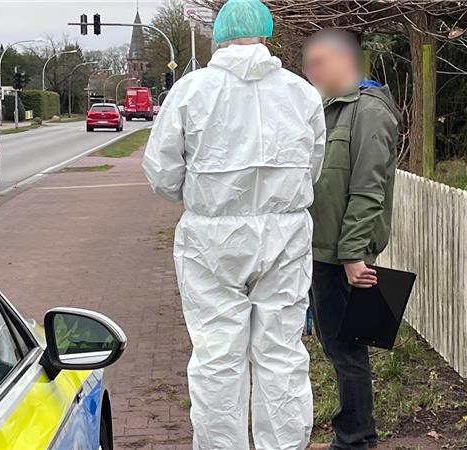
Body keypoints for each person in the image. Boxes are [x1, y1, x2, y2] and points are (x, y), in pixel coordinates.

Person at [142, 0, 326, 448]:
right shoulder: (301, 93)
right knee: (281, 354)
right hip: (285, 235)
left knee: (217, 358)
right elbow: (313, 167)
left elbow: (162, 174)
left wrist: (203, 197)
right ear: (266, 33)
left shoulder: (190, 91)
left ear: (219, 35)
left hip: (212, 239)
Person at [302, 29, 402, 450]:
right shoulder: (332, 107)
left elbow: (367, 189)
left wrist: (353, 255)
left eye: (318, 63)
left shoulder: (370, 111)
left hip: (343, 256)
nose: (310, 72)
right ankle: (354, 432)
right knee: (336, 348)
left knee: (348, 352)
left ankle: (356, 439)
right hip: (323, 250)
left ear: (345, 61)